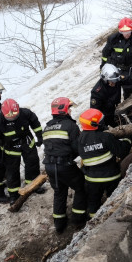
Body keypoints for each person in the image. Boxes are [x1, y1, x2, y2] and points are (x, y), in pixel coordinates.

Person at [76, 108, 132, 218]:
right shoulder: (105, 137)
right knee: (115, 201)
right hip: (111, 177)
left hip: (91, 180)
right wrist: (127, 139)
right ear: (95, 124)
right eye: (101, 121)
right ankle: (114, 218)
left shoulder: (80, 139)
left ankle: (93, 222)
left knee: (93, 204)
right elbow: (122, 152)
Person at [42, 97, 87, 233]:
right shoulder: (70, 126)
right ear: (65, 110)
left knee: (59, 192)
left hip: (49, 166)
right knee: (81, 187)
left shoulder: (48, 126)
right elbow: (77, 147)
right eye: (69, 108)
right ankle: (78, 219)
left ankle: (59, 224)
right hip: (65, 166)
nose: (71, 110)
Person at [0, 98, 45, 201]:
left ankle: (33, 185)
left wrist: (39, 136)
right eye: (10, 117)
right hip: (10, 147)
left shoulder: (25, 113)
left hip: (27, 142)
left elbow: (35, 123)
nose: (13, 117)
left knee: (32, 163)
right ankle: (14, 194)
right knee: (12, 171)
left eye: (15, 115)